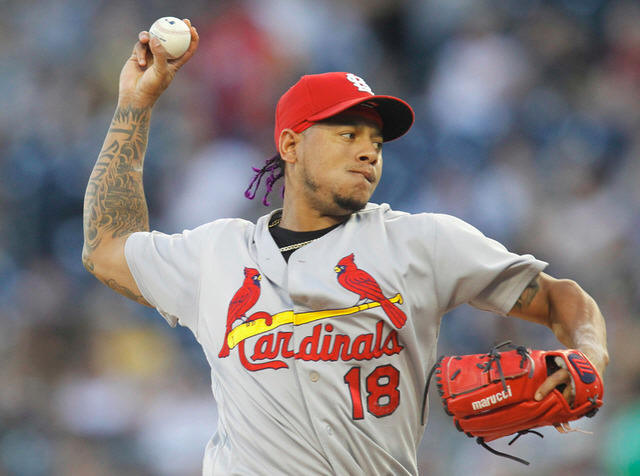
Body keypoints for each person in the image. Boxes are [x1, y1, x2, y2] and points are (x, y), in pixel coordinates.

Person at [82, 20, 609, 475]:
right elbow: (105, 246)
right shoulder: (216, 254)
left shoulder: (420, 242)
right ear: (290, 144)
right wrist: (136, 102)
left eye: (376, 142)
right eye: (347, 135)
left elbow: (562, 298)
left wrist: (588, 358)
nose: (368, 153)